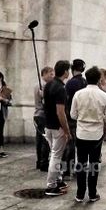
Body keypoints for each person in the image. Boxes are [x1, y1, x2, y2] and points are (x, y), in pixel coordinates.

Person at [70, 66, 106, 203]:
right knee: (94, 164)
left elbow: (72, 114)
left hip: (81, 133)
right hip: (96, 134)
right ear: (99, 79)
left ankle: (80, 194)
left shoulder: (78, 94)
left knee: (81, 164)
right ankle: (92, 194)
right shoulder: (104, 96)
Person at [43, 60, 72, 196]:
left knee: (54, 155)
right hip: (57, 127)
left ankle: (57, 179)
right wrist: (66, 130)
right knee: (56, 155)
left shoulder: (48, 85)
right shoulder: (60, 88)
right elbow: (60, 112)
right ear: (65, 71)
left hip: (48, 125)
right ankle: (51, 186)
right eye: (68, 70)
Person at [34, 66, 54, 170]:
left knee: (39, 140)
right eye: (50, 74)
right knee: (45, 140)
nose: (52, 76)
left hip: (37, 115)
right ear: (44, 74)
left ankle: (39, 161)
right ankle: (44, 163)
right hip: (43, 115)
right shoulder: (44, 86)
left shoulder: (38, 85)